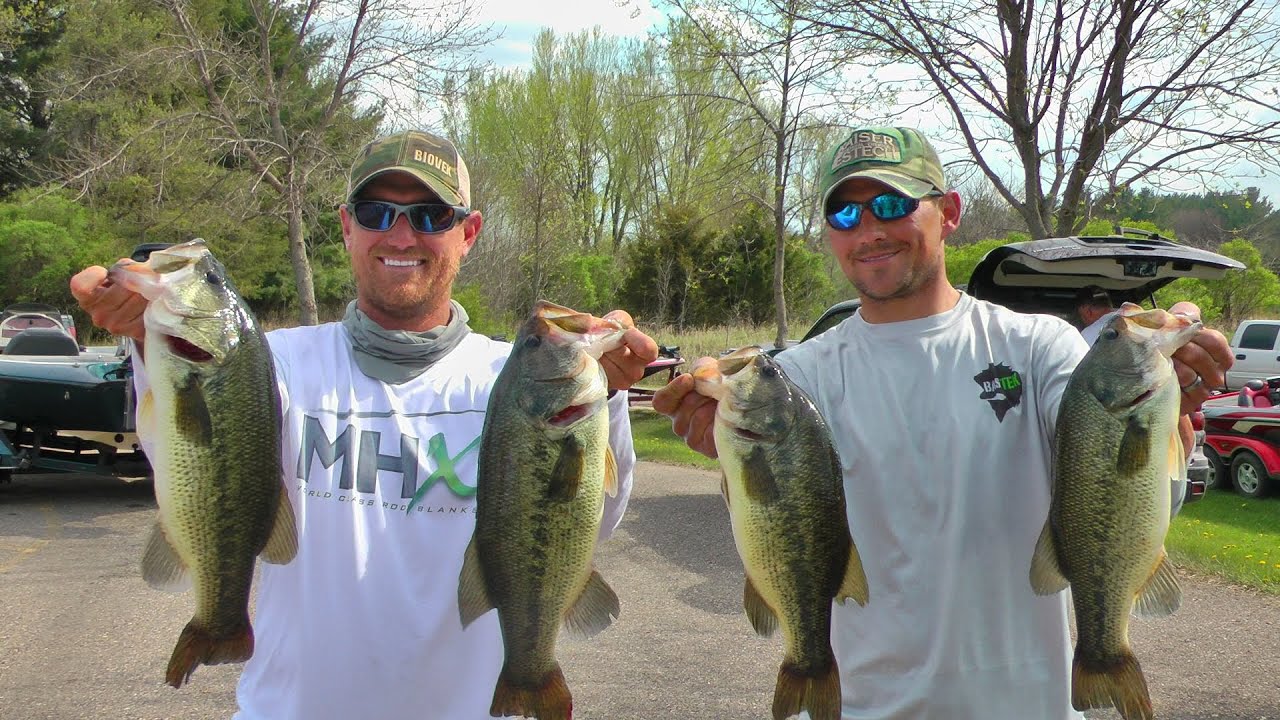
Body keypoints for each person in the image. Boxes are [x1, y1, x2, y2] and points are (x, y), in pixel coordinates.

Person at [70, 129, 659, 719]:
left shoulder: (513, 381)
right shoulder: (268, 365)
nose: (401, 235)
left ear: (469, 232)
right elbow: (179, 448)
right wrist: (144, 330)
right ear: (347, 227)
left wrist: (605, 391)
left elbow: (588, 523)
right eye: (377, 212)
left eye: (431, 215)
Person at [653, 126, 1232, 720]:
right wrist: (708, 418)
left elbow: (1106, 462)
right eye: (843, 213)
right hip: (855, 706)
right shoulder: (798, 379)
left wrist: (1169, 407)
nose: (870, 230)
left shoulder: (1036, 346)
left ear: (948, 211)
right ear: (827, 234)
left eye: (891, 204)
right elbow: (768, 510)